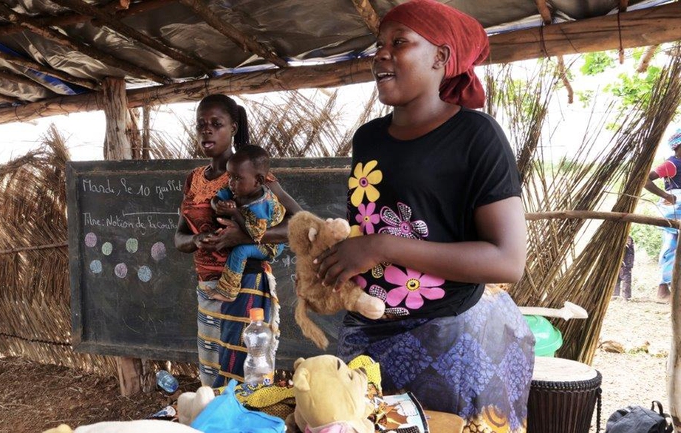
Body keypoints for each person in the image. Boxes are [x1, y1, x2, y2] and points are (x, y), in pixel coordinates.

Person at [314, 1, 534, 431]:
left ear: (441, 58)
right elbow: (375, 220)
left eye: (399, 42)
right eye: (378, 45)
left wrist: (382, 247)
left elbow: (508, 260)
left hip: (449, 340)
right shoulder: (369, 138)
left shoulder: (476, 136)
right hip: (367, 330)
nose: (380, 54)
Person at [174, 94, 300, 387]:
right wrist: (198, 239)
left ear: (232, 127)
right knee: (211, 375)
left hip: (247, 285)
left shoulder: (251, 173)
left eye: (216, 124)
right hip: (208, 287)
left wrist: (242, 236)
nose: (207, 130)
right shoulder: (193, 178)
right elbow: (179, 238)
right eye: (201, 125)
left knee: (243, 376)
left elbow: (299, 222)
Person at [211, 145, 286, 299]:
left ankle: (227, 291)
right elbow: (218, 196)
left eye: (237, 178)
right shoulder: (238, 189)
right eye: (230, 176)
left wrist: (234, 212)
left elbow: (254, 234)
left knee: (240, 251)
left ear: (258, 181)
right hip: (250, 230)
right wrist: (218, 204)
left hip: (268, 243)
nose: (231, 182)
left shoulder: (262, 206)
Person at [644, 128, 681, 302]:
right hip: (675, 208)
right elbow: (646, 180)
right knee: (671, 245)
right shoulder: (671, 164)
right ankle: (663, 286)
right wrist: (665, 195)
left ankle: (669, 286)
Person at [613, 236, 634, 300]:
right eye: (627, 241)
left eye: (629, 241)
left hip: (626, 266)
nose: (628, 242)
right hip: (620, 266)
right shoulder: (621, 246)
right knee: (617, 280)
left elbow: (630, 256)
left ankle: (625, 297)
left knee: (626, 281)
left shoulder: (629, 247)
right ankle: (615, 295)